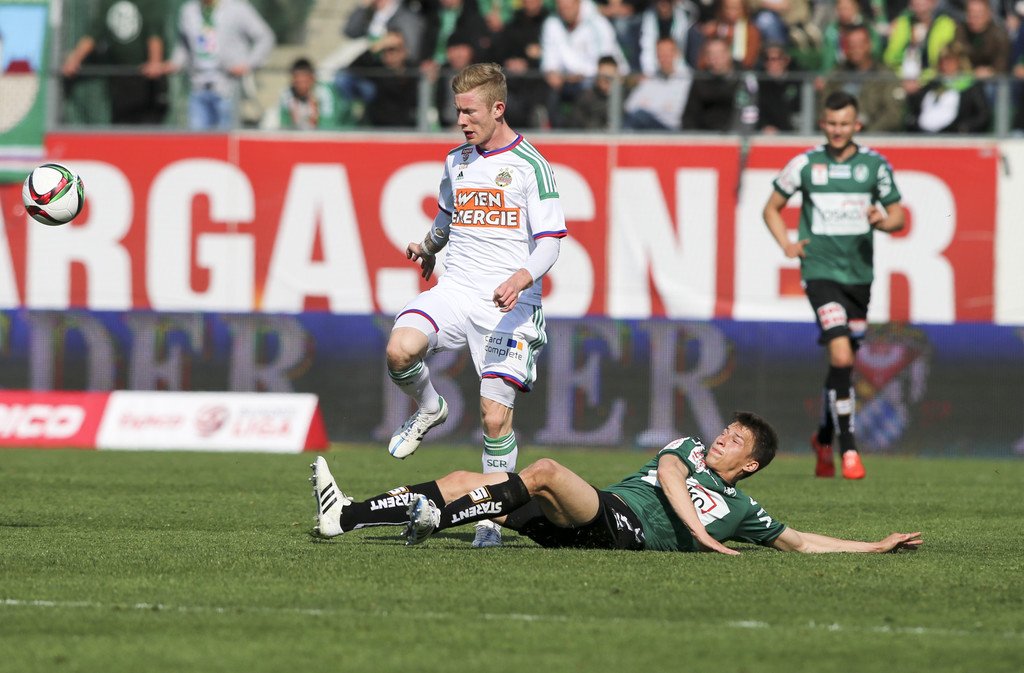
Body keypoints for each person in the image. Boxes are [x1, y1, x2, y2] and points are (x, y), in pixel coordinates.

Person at [383, 63, 567, 548]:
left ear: (498, 109)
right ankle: (430, 407)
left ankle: (491, 519)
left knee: (493, 417)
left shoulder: (531, 165)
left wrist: (521, 278)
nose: (461, 121)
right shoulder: (456, 161)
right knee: (400, 350)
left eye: (470, 112)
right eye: (458, 111)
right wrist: (428, 248)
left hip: (509, 305)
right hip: (458, 289)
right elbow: (446, 217)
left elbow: (550, 242)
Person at [310, 411, 924, 554]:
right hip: (602, 512)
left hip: (621, 531)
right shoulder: (686, 450)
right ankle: (346, 516)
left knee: (544, 471)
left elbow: (800, 541)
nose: (721, 439)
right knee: (464, 476)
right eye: (726, 431)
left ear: (751, 464)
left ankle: (437, 518)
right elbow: (669, 475)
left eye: (736, 441)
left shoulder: (745, 509)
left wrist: (875, 546)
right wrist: (699, 534)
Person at [762, 91, 906, 480]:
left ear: (856, 125)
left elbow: (898, 217)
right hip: (820, 272)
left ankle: (823, 439)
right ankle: (850, 450)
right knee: (842, 357)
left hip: (858, 278)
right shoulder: (805, 164)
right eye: (832, 123)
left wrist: (882, 221)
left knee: (843, 365)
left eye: (845, 124)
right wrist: (787, 244)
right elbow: (771, 208)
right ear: (822, 124)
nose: (838, 130)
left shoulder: (874, 165)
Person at [165, 0, 276, 130]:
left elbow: (265, 37)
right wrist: (174, 63)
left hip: (227, 86)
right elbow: (184, 45)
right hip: (198, 86)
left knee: (225, 138)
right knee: (197, 139)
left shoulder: (237, 8)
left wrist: (248, 64)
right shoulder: (189, 10)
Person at [60, 0, 168, 125]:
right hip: (120, 77)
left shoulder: (150, 3)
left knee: (148, 127)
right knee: (122, 125)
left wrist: (155, 62)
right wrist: (74, 60)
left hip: (146, 78)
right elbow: (94, 33)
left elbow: (154, 33)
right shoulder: (107, 3)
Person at [820, 24, 907, 133]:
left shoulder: (885, 75)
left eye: (859, 44)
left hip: (875, 136)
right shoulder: (837, 75)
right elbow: (823, 108)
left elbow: (893, 114)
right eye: (850, 45)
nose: (855, 49)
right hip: (840, 134)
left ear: (869, 44)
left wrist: (868, 134)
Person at [905, 40, 992, 132]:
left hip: (952, 135)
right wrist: (913, 93)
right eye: (942, 61)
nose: (945, 65)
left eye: (950, 61)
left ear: (960, 62)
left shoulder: (970, 86)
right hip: (922, 134)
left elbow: (983, 116)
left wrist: (962, 128)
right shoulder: (934, 84)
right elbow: (916, 109)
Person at [623, 37, 693, 131]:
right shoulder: (650, 79)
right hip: (645, 127)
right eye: (660, 55)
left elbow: (676, 114)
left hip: (671, 130)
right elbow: (630, 107)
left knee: (640, 116)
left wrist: (649, 107)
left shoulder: (687, 80)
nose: (664, 59)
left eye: (667, 54)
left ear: (677, 54)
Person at [278, 58, 340, 130]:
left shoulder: (324, 93)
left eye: (304, 82)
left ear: (312, 78)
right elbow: (285, 125)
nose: (301, 86)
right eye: (297, 82)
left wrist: (315, 118)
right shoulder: (287, 95)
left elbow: (328, 126)